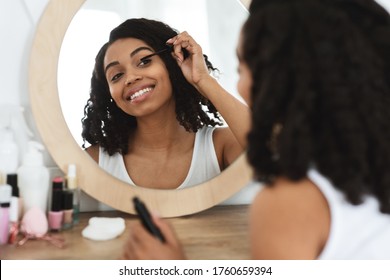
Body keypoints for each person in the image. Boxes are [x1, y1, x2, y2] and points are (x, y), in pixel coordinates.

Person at [122, 0, 390, 259]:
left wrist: (175, 268)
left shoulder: (290, 202)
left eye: (244, 67)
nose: (240, 86)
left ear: (283, 74)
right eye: (116, 75)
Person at [81, 18, 250, 189]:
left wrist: (203, 80)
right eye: (116, 76)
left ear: (172, 64)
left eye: (144, 61)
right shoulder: (95, 160)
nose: (131, 78)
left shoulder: (220, 145)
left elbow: (272, 148)